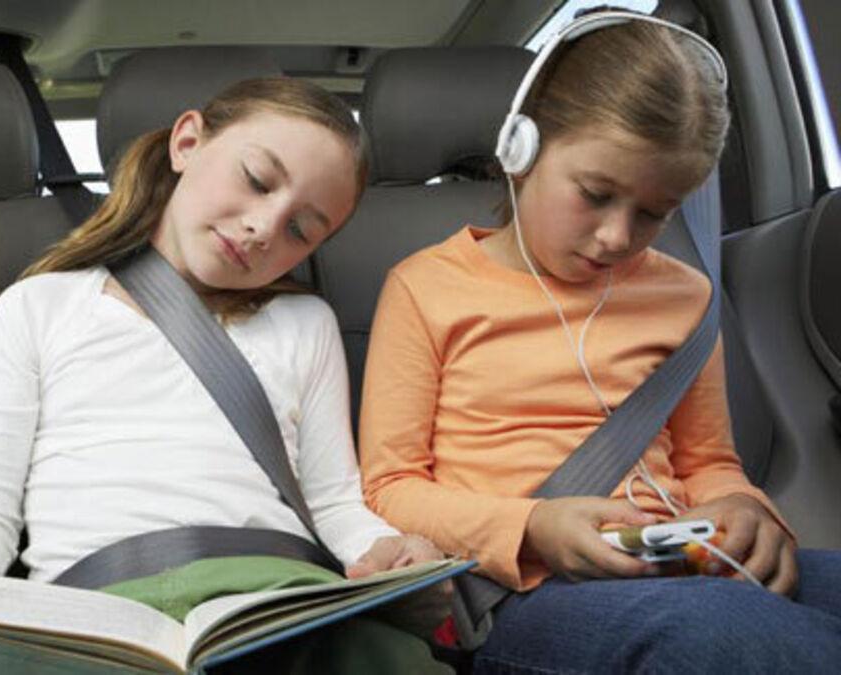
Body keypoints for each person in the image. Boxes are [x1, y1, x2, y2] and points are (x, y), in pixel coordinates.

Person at [0, 77, 452, 674]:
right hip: (91, 616)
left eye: (300, 230)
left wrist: (390, 551)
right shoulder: (38, 306)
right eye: (257, 181)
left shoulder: (304, 323)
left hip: (280, 603)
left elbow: (336, 504)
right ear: (188, 142)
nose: (264, 228)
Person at [359, 12, 841, 673]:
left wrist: (743, 505)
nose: (617, 236)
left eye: (653, 213)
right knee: (723, 637)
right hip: (517, 588)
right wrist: (534, 527)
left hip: (678, 560)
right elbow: (390, 487)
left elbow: (708, 462)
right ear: (521, 149)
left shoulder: (685, 295)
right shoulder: (425, 287)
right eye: (595, 194)